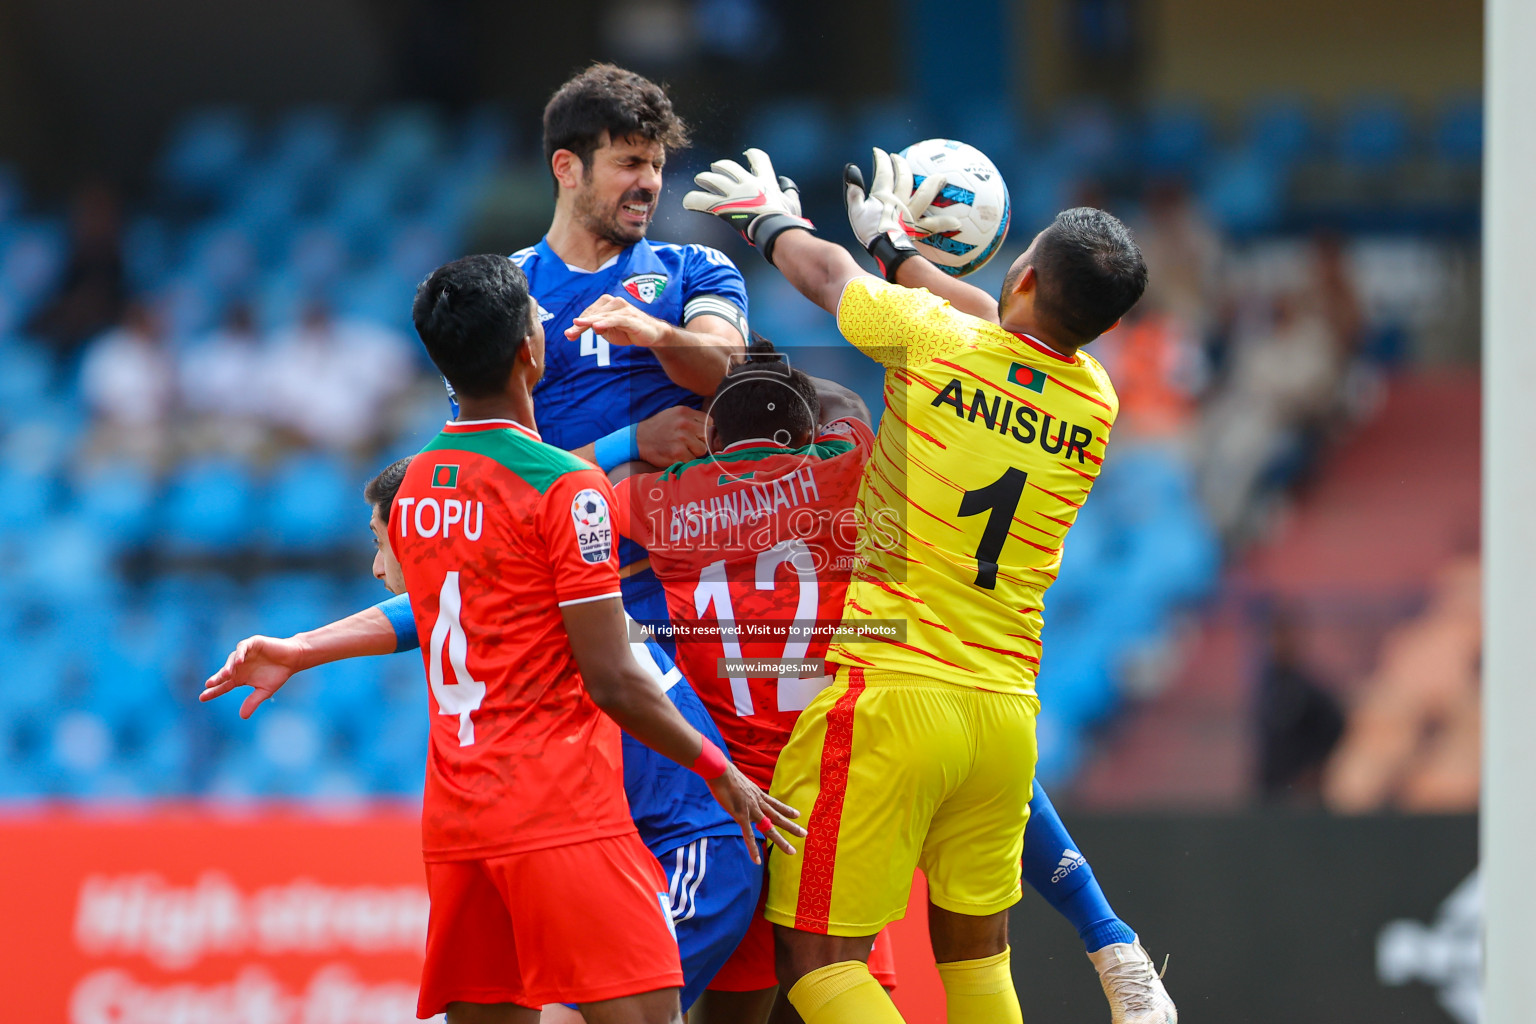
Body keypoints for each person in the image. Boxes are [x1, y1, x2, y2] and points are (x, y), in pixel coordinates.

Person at [203, 254, 802, 1024]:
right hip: (560, 815)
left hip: (458, 825)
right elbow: (613, 679)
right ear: (530, 349)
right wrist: (716, 767)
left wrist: (301, 647)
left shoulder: (414, 486)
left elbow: (448, 600)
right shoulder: (567, 487)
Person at [684, 148, 1172, 1023]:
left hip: (893, 700)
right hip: (1005, 720)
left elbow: (824, 277)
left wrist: (770, 219)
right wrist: (895, 252)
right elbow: (995, 323)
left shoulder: (937, 341)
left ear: (1021, 271)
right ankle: (1108, 939)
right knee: (977, 964)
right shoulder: (1095, 397)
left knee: (817, 962)